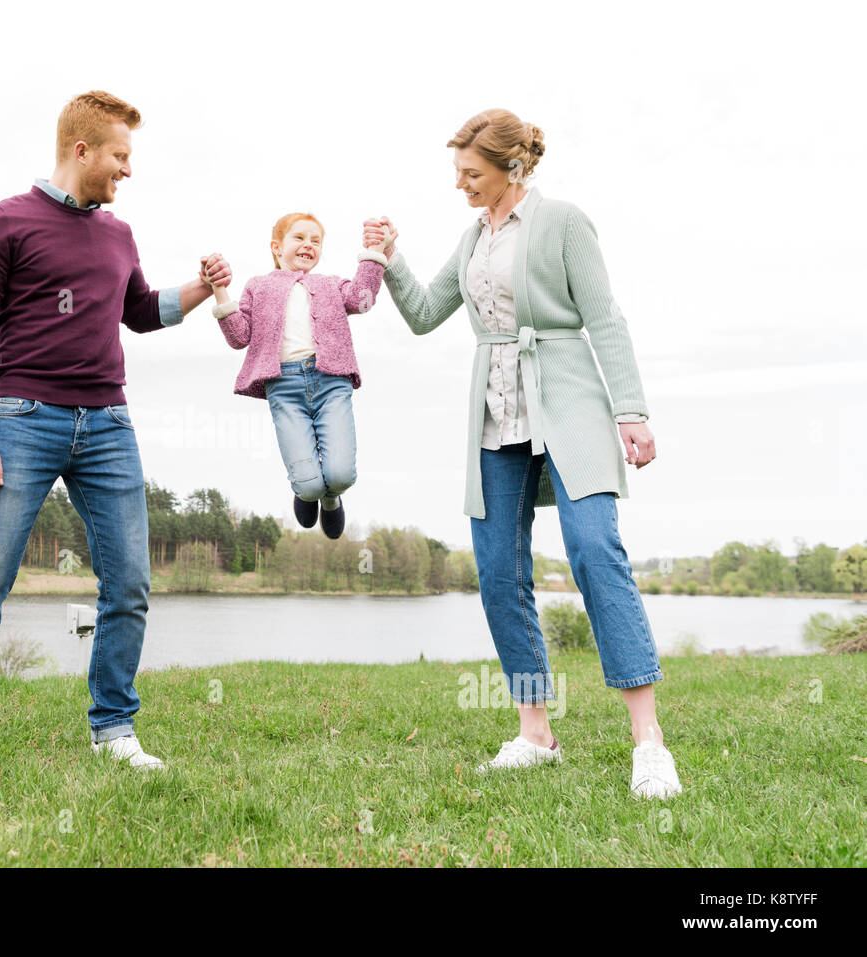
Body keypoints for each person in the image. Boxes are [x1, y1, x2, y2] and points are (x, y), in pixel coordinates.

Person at [364, 108, 682, 799]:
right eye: (457, 174)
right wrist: (389, 259)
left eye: (470, 174)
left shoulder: (564, 221)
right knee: (498, 572)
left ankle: (649, 742)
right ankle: (535, 731)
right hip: (494, 416)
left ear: (511, 167)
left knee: (595, 548)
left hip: (569, 404)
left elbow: (604, 316)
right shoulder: (471, 237)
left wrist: (631, 408)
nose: (461, 186)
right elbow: (423, 313)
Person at [0, 90, 233, 776]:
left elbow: (142, 311)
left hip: (110, 424)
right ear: (81, 150)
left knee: (130, 583)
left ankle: (114, 728)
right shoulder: (2, 224)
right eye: (121, 156)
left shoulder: (118, 234)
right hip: (23, 420)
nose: (128, 170)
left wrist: (202, 288)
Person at [206, 213, 388, 539]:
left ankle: (332, 497)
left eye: (316, 241)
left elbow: (364, 300)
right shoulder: (258, 286)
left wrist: (374, 252)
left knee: (342, 475)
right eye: (299, 238)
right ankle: (308, 492)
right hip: (285, 388)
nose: (308, 245)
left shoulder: (330, 284)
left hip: (331, 383)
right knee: (308, 485)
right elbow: (239, 337)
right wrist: (220, 291)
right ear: (277, 247)